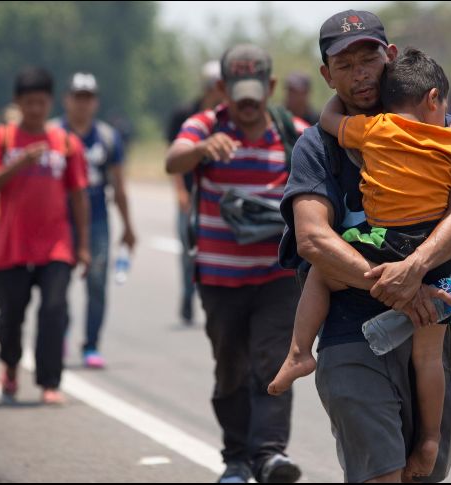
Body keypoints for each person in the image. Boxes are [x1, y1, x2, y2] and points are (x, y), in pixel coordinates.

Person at [270, 47, 451, 478]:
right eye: (345, 67)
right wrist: (411, 280)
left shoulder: (374, 130)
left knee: (321, 274)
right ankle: (429, 440)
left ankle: (298, 351)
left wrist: (406, 275)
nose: (359, 75)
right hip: (398, 298)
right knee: (425, 368)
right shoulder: (446, 136)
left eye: (367, 62)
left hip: (391, 252)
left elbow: (330, 121)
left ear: (388, 58)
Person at [165, 44, 309, 484]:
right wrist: (201, 150)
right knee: (231, 369)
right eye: (238, 96)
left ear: (270, 87)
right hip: (219, 278)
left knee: (274, 363)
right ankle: (236, 458)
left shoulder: (294, 132)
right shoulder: (204, 125)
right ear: (222, 88)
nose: (247, 106)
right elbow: (173, 160)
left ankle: (269, 455)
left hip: (277, 277)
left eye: (255, 96)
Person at [0, 67, 91, 405]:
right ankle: (10, 365)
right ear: (18, 102)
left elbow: (78, 196)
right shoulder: (1, 139)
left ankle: (49, 382)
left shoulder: (66, 143)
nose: (35, 109)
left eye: (41, 102)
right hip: (12, 245)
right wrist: (19, 163)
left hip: (56, 245)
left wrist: (83, 245)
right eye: (29, 103)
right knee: (11, 315)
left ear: (51, 102)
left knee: (54, 310)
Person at [56, 72, 135, 369]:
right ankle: (60, 330)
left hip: (97, 220)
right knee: (57, 281)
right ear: (67, 100)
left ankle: (91, 344)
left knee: (97, 282)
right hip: (60, 220)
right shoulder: (54, 134)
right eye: (78, 97)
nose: (82, 104)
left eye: (88, 98)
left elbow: (119, 186)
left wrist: (128, 227)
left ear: (95, 102)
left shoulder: (107, 137)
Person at [165, 60, 224, 325]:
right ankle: (187, 295)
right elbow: (173, 155)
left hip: (220, 195)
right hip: (191, 193)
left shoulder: (228, 118)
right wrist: (180, 191)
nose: (215, 91)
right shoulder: (185, 115)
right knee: (189, 250)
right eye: (211, 86)